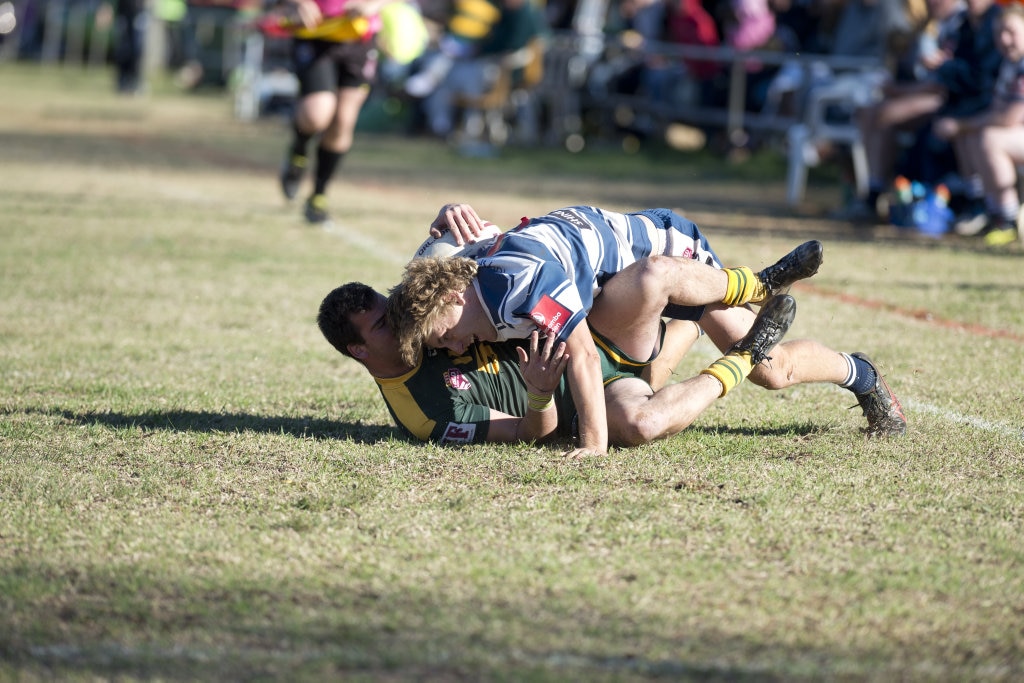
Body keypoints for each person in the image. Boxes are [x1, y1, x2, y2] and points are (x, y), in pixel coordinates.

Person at [386, 205, 907, 456]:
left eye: (443, 335)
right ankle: (740, 333)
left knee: (775, 372)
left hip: (667, 253)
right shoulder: (453, 279)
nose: (450, 348)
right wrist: (443, 215)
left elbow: (584, 355)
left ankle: (847, 364)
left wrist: (592, 445)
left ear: (454, 296)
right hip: (616, 314)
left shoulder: (516, 286)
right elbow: (432, 253)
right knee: (652, 410)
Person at [843, 0, 1002, 221]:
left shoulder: (976, 22)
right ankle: (874, 191)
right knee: (869, 113)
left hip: (956, 101)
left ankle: (982, 206)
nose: (932, 2)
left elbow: (953, 81)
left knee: (885, 114)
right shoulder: (945, 24)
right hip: (950, 99)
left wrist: (900, 89)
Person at [274, 0, 395, 225]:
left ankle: (318, 195)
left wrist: (372, 5)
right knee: (316, 114)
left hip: (359, 41)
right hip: (314, 35)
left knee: (342, 123)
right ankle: (298, 151)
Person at [934, 1, 1024, 247]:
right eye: (999, 34)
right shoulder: (1010, 64)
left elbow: (1009, 117)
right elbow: (997, 110)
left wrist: (961, 124)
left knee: (987, 138)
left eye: (1012, 32)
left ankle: (1008, 219)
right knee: (973, 135)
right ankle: (985, 209)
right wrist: (963, 127)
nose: (1004, 39)